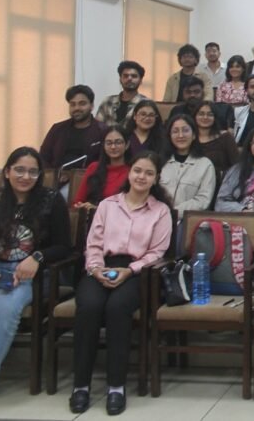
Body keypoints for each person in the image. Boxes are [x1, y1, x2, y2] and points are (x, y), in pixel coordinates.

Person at [69, 151, 171, 416]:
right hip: (102, 266)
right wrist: (96, 269)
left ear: (156, 178)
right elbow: (93, 244)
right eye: (138, 170)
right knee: (89, 306)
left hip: (138, 272)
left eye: (149, 173)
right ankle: (81, 385)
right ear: (129, 172)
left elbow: (157, 252)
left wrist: (130, 270)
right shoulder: (107, 205)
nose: (142, 177)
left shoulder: (161, 211)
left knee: (117, 308)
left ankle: (116, 386)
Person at [0, 147, 70, 392]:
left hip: (35, 275)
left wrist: (37, 257)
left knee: (4, 307)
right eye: (19, 170)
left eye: (33, 172)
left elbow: (64, 246)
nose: (26, 177)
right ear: (7, 172)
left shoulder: (51, 200)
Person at [40, 85, 108, 170]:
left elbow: (107, 162)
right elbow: (43, 158)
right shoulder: (57, 129)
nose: (77, 108)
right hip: (58, 176)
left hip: (91, 177)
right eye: (72, 104)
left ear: (92, 106)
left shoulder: (103, 131)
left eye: (82, 104)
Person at [159, 114, 216, 217]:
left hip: (188, 220)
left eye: (185, 130)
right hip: (158, 217)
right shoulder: (160, 162)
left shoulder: (205, 165)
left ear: (194, 135)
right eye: (175, 131)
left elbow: (203, 200)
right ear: (169, 136)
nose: (181, 135)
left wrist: (174, 213)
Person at [73, 126, 132, 210]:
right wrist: (82, 206)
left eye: (118, 142)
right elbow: (78, 201)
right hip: (92, 216)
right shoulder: (94, 167)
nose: (113, 147)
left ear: (127, 145)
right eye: (109, 143)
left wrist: (98, 209)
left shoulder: (133, 171)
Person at [190, 100, 240, 176]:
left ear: (215, 117)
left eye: (210, 114)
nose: (205, 117)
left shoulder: (226, 137)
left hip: (222, 180)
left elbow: (236, 165)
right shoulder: (189, 139)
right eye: (201, 114)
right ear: (195, 116)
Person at [97, 61, 148, 126]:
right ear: (120, 80)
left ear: (140, 81)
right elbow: (97, 127)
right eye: (125, 76)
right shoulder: (107, 101)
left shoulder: (146, 104)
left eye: (134, 76)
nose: (129, 78)